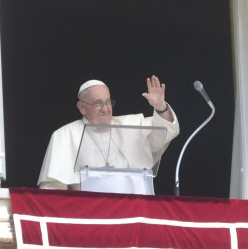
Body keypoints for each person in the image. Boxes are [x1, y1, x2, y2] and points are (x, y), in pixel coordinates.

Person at [37, 75, 180, 191]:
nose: (105, 109)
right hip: (90, 217)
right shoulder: (64, 135)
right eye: (98, 103)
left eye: (108, 102)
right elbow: (53, 187)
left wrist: (161, 108)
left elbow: (165, 132)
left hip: (135, 212)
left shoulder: (131, 126)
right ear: (82, 108)